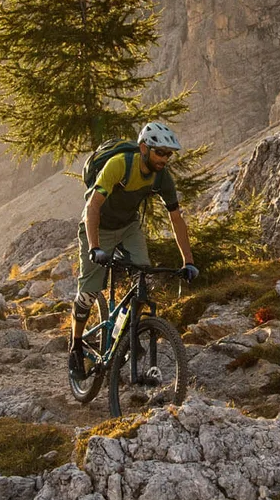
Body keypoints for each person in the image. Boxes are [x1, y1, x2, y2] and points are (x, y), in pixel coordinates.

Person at [71, 122, 198, 379]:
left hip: (129, 227)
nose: (164, 159)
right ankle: (75, 346)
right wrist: (94, 247)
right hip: (98, 226)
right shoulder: (119, 165)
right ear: (143, 148)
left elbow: (176, 219)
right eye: (160, 152)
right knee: (88, 292)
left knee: (143, 277)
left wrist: (188, 261)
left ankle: (125, 334)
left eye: (168, 154)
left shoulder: (162, 177)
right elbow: (92, 207)